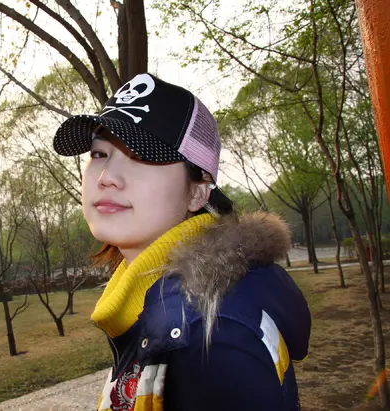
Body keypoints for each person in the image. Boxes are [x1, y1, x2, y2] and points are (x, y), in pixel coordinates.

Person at [52, 73, 311, 411]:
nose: (106, 177)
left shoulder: (210, 335)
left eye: (140, 156)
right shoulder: (156, 306)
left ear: (197, 192)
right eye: (99, 154)